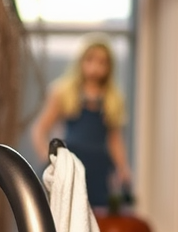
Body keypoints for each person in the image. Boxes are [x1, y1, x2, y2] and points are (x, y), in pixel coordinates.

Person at [31, 40, 132, 209]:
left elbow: (115, 140)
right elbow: (40, 130)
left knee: (97, 215)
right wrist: (48, 160)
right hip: (72, 162)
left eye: (102, 62)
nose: (95, 67)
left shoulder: (113, 98)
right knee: (68, 210)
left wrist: (123, 168)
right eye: (90, 60)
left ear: (109, 66)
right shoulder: (64, 92)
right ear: (81, 61)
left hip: (100, 167)